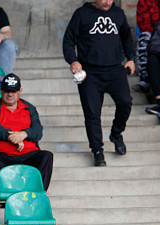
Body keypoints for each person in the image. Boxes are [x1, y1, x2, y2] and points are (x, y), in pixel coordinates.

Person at [63, 0, 135, 167]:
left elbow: (127, 38)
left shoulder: (118, 14)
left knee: (125, 102)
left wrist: (131, 59)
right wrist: (73, 61)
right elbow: (68, 40)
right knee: (92, 114)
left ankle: (116, 133)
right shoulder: (81, 14)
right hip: (90, 72)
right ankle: (97, 151)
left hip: (115, 70)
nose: (107, 2)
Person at [0, 73, 53, 190]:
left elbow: (38, 131)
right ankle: (7, 190)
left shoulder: (29, 108)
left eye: (13, 91)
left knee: (46, 156)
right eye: (7, 91)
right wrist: (11, 137)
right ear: (1, 91)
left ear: (20, 91)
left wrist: (24, 134)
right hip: (1, 156)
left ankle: (38, 194)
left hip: (27, 155)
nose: (10, 94)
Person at [135, 0, 160, 91]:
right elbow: (144, 26)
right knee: (144, 37)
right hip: (154, 36)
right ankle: (145, 78)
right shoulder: (145, 1)